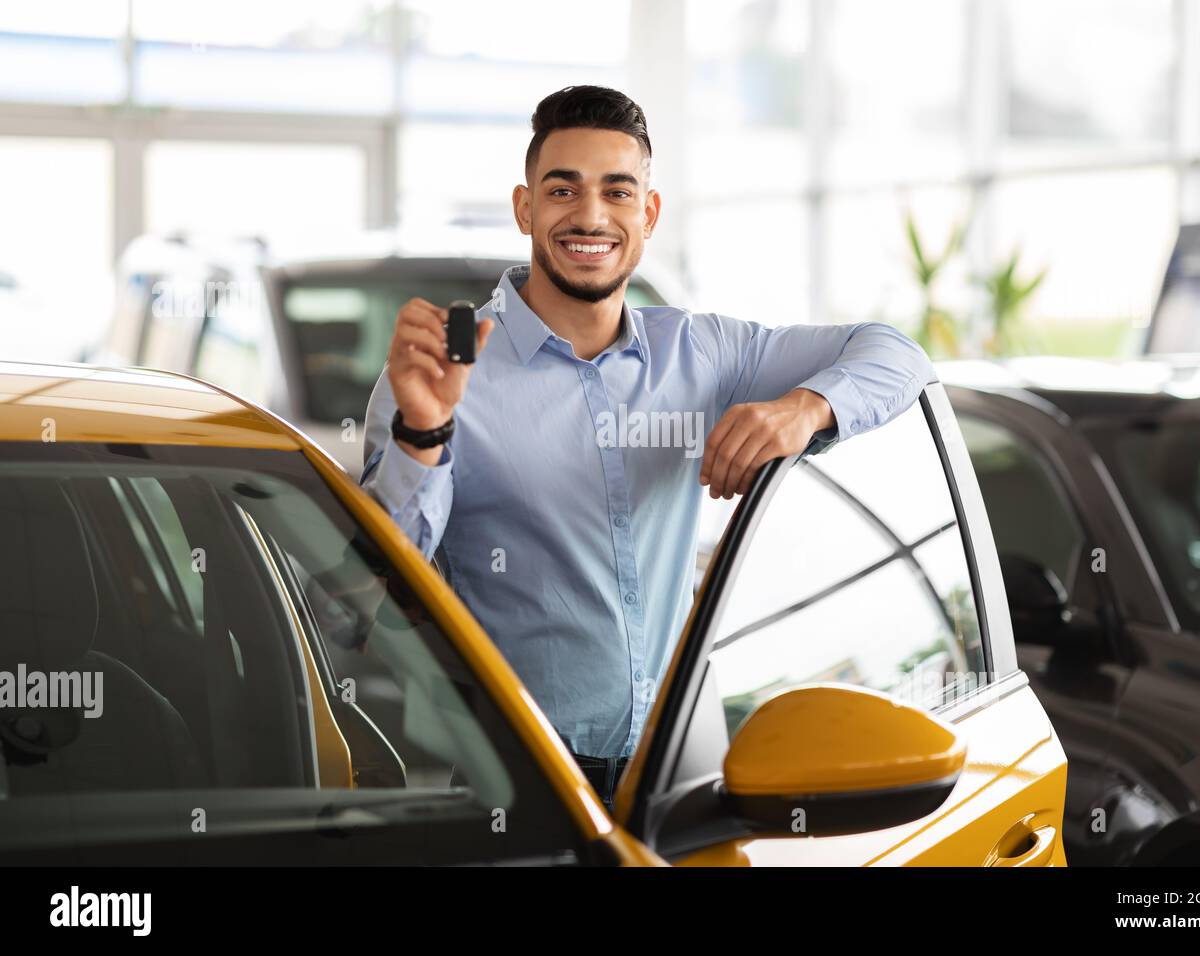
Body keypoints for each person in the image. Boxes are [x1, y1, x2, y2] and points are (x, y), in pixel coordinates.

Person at [360, 85, 935, 813]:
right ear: (525, 208)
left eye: (617, 191)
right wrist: (424, 434)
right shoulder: (447, 366)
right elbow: (372, 591)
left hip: (678, 764)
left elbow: (897, 354)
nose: (591, 216)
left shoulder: (703, 351)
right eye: (562, 189)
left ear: (648, 215)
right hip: (512, 780)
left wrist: (804, 409)